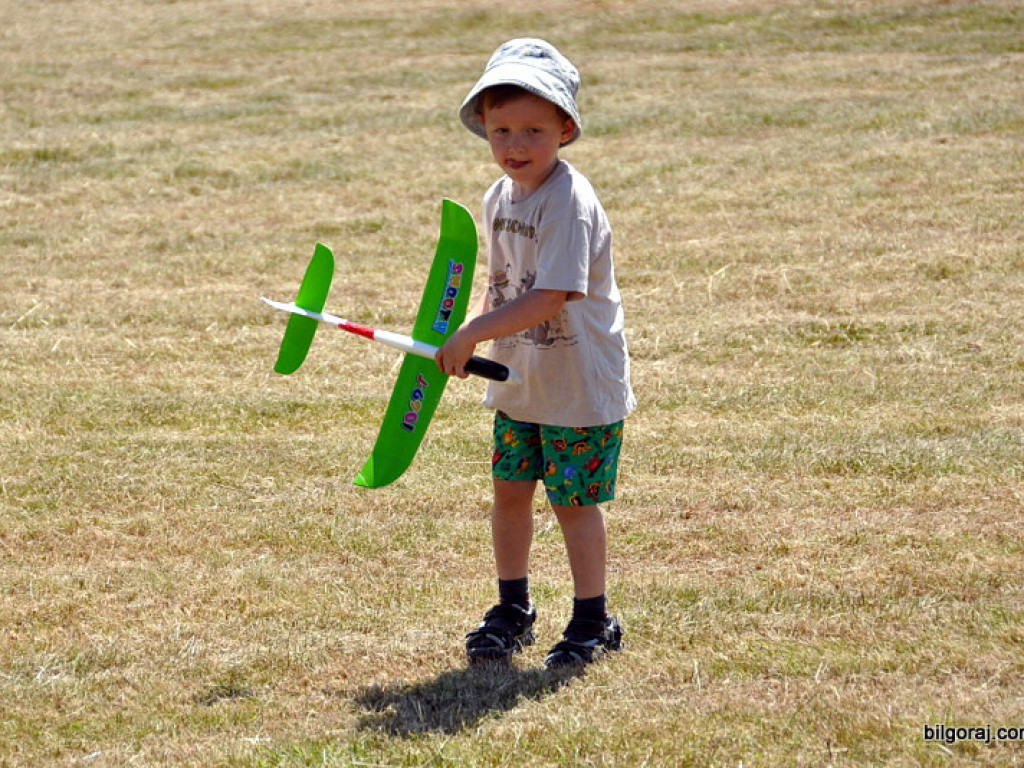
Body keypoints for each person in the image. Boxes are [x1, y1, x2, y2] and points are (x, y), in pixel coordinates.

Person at [435, 38, 636, 669]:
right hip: (522, 380)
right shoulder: (500, 197)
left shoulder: (568, 203)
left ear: (566, 130)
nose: (515, 145)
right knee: (510, 491)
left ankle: (593, 620)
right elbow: (506, 283)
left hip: (577, 385)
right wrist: (476, 340)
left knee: (574, 504)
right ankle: (513, 608)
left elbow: (551, 295)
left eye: (532, 130)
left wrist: (473, 331)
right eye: (501, 131)